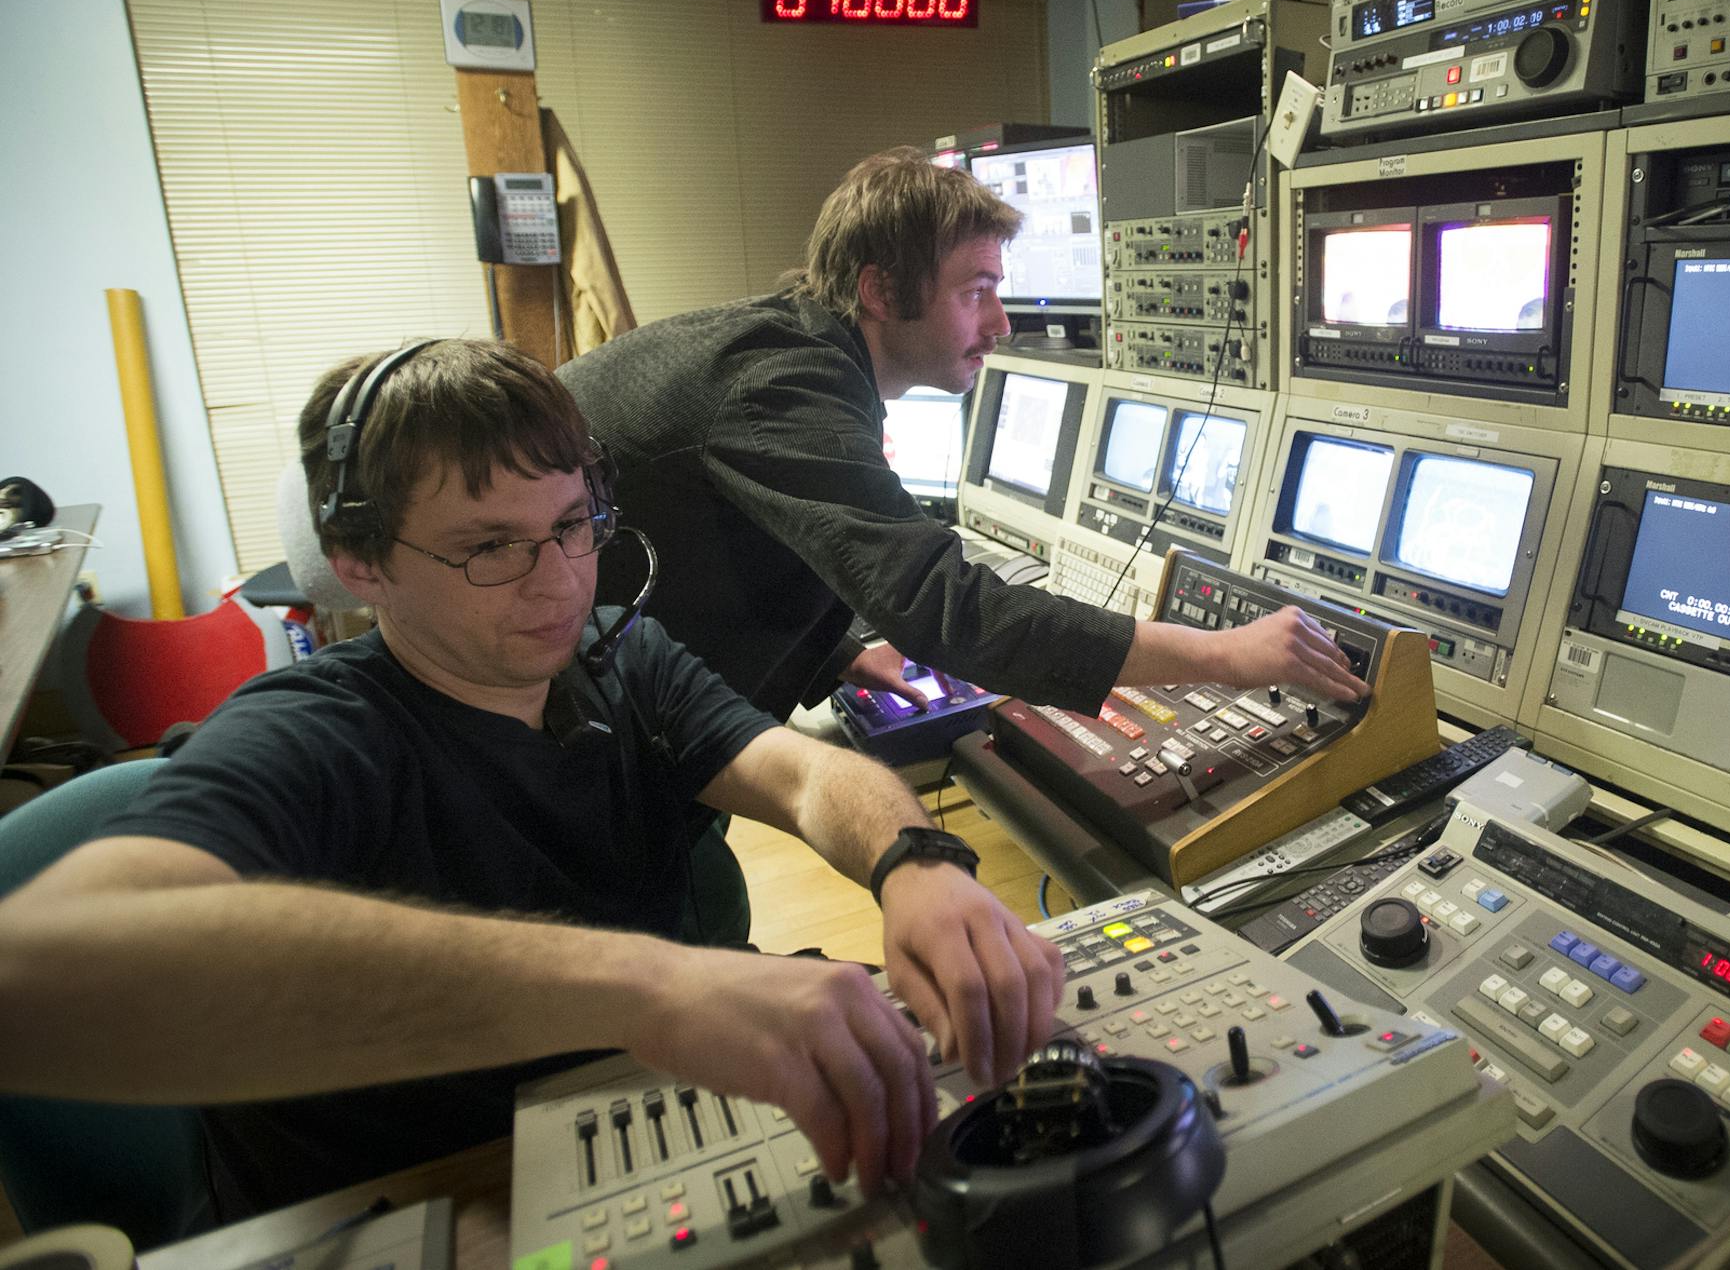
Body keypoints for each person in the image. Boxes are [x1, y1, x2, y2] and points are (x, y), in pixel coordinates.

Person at [0, 340, 1061, 1219]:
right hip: (415, 1211)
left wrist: (915, 859)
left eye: (570, 526)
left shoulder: (616, 651)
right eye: (490, 548)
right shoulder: (310, 733)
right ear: (358, 559)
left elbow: (798, 772)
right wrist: (649, 989)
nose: (558, 584)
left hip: (614, 1165)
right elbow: (35, 979)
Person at [559, 147, 1367, 722]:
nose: (1002, 323)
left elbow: (741, 533)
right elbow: (945, 608)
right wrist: (1224, 654)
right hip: (553, 715)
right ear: (880, 290)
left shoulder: (795, 352)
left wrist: (832, 651)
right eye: (976, 291)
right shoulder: (780, 385)